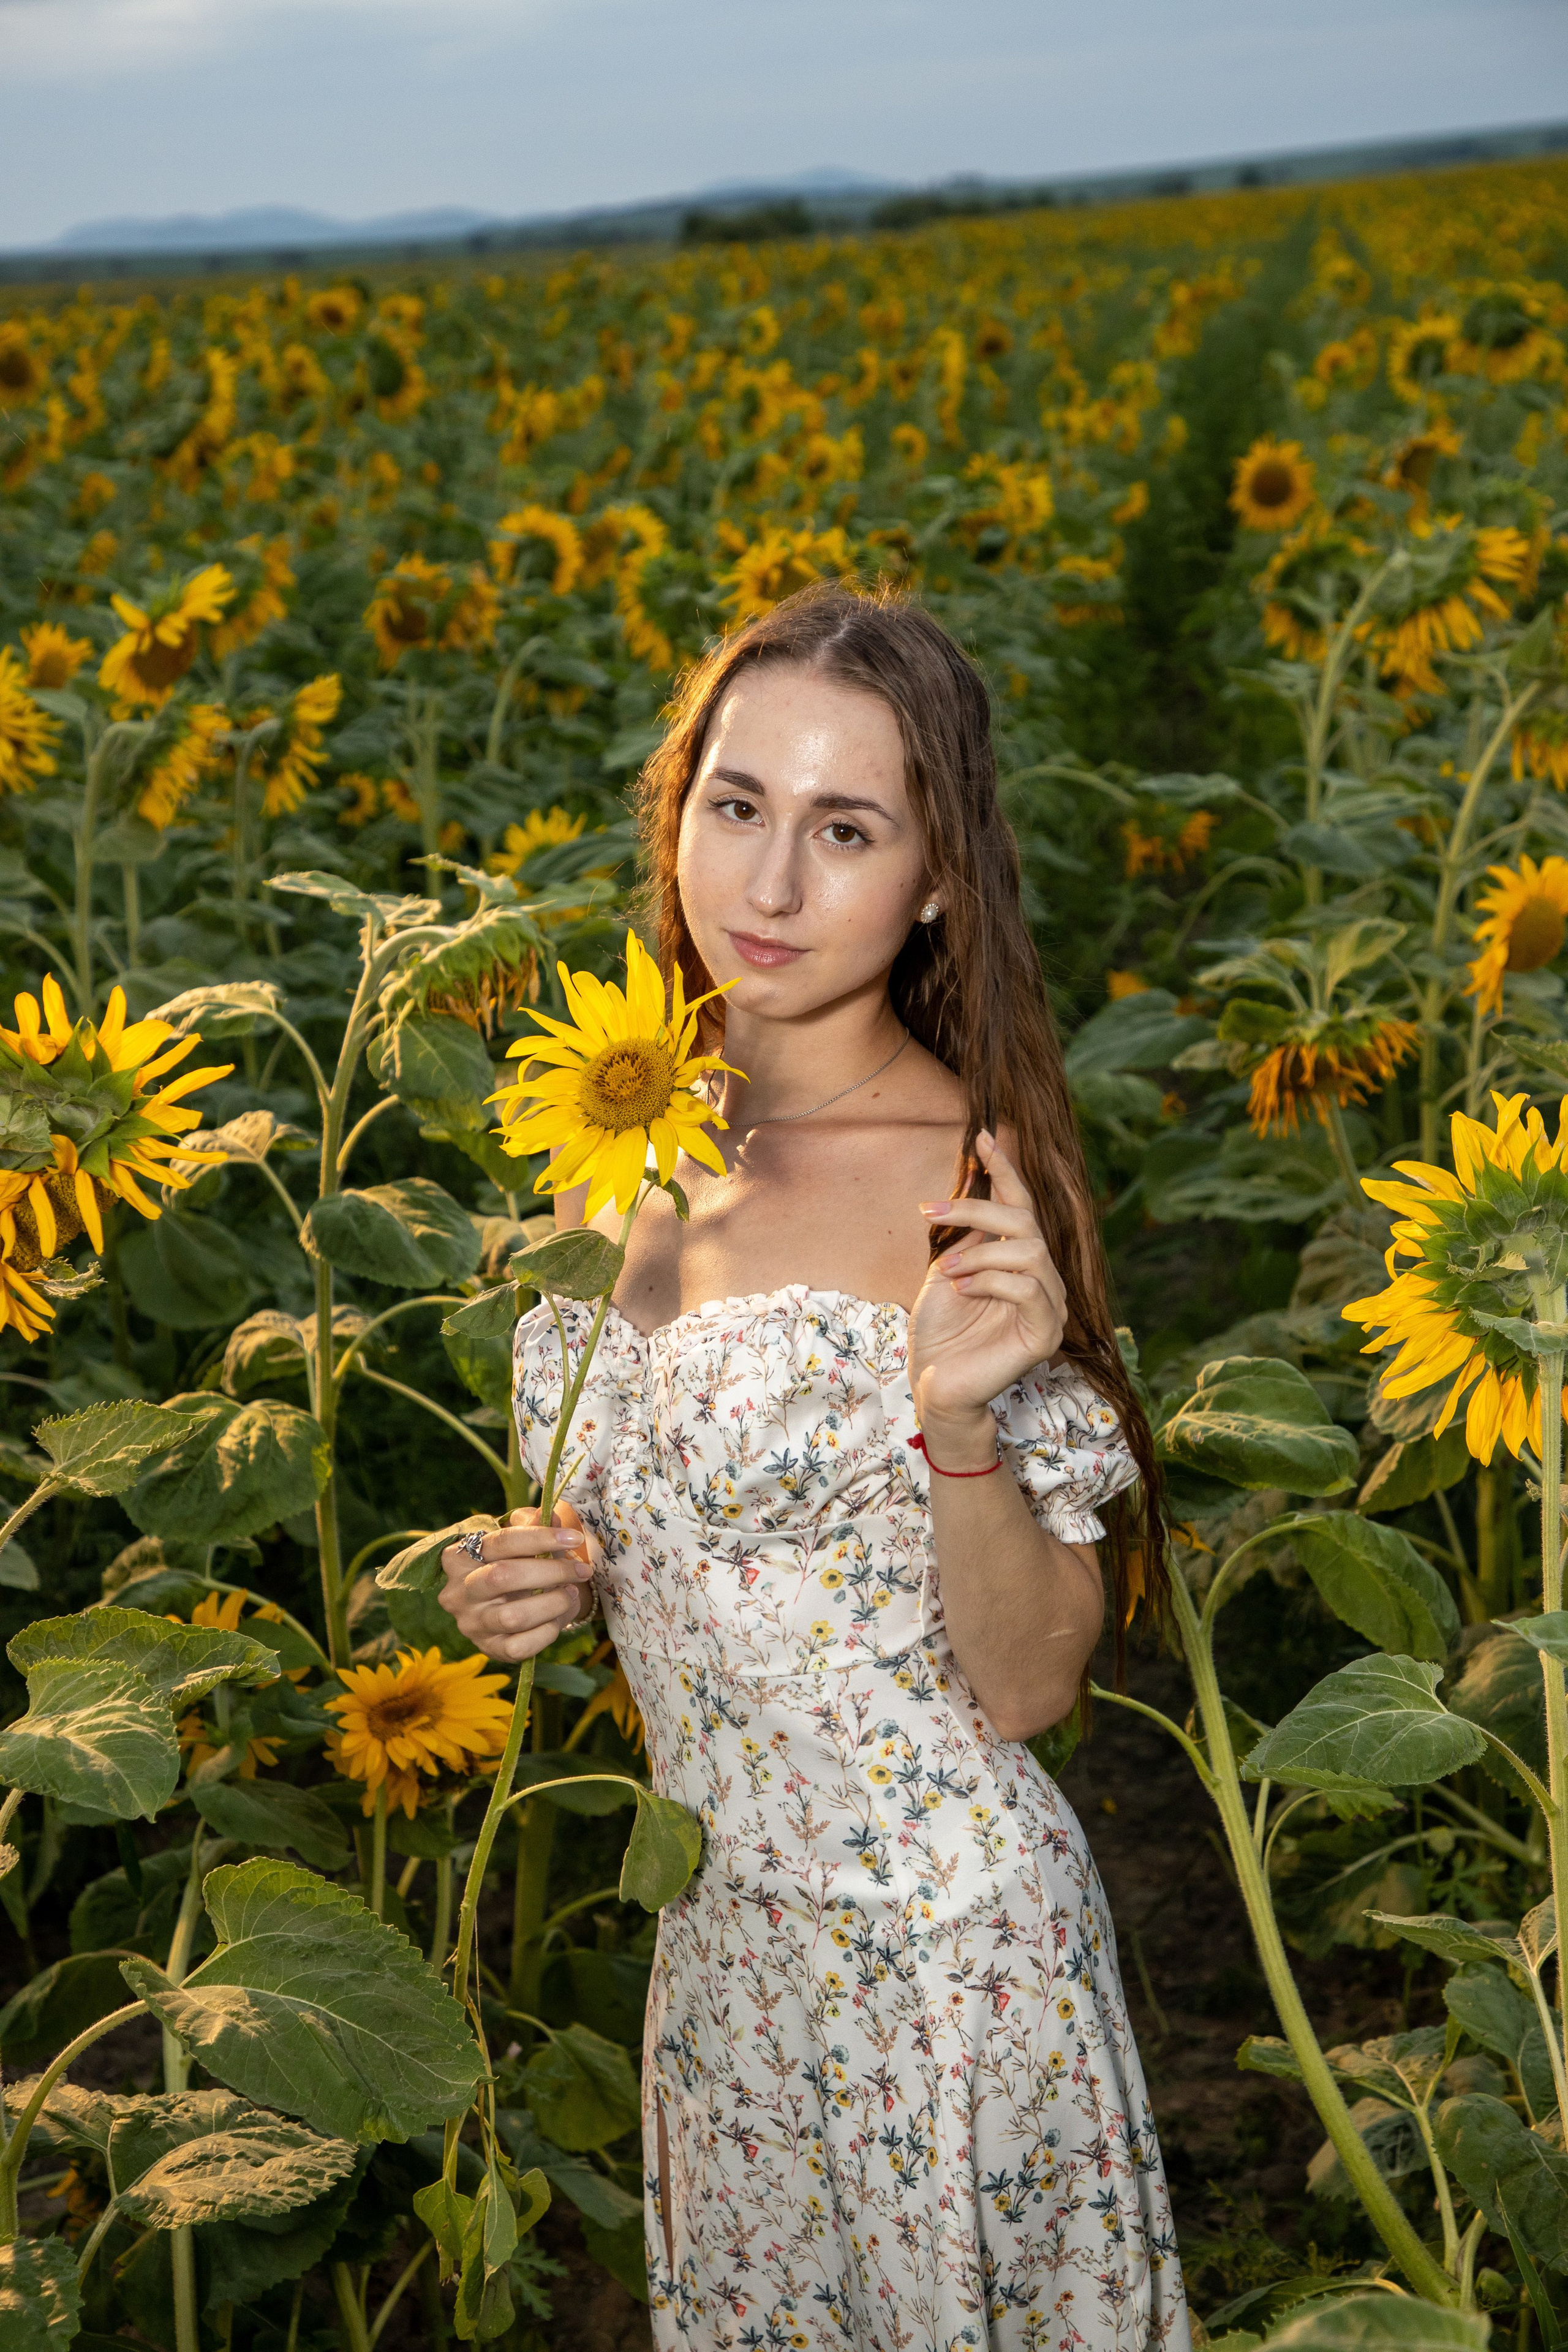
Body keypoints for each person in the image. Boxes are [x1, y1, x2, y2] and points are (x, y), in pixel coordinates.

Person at [440, 584, 1190, 2352]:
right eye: (738, 806)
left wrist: (959, 1422)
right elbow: (632, 1516)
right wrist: (520, 1576)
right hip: (721, 1978)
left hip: (946, 1961)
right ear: (678, 812)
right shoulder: (603, 1129)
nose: (768, 889)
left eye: (844, 831)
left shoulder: (970, 1176)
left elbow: (1028, 1684)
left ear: (938, 877)